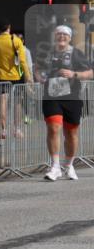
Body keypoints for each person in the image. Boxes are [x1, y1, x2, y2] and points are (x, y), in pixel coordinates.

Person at [38, 25, 92, 181]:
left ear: (69, 37)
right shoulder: (47, 53)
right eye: (59, 34)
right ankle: (55, 166)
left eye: (64, 34)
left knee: (71, 133)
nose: (61, 36)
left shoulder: (76, 54)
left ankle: (69, 165)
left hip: (72, 98)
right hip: (51, 96)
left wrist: (74, 73)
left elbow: (90, 72)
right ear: (55, 37)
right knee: (53, 128)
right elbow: (37, 68)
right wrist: (39, 76)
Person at [0, 20, 31, 139]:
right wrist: (28, 76)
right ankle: (17, 130)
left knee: (2, 102)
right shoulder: (16, 40)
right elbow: (23, 61)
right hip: (15, 76)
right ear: (9, 27)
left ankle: (3, 130)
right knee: (17, 102)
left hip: (1, 76)